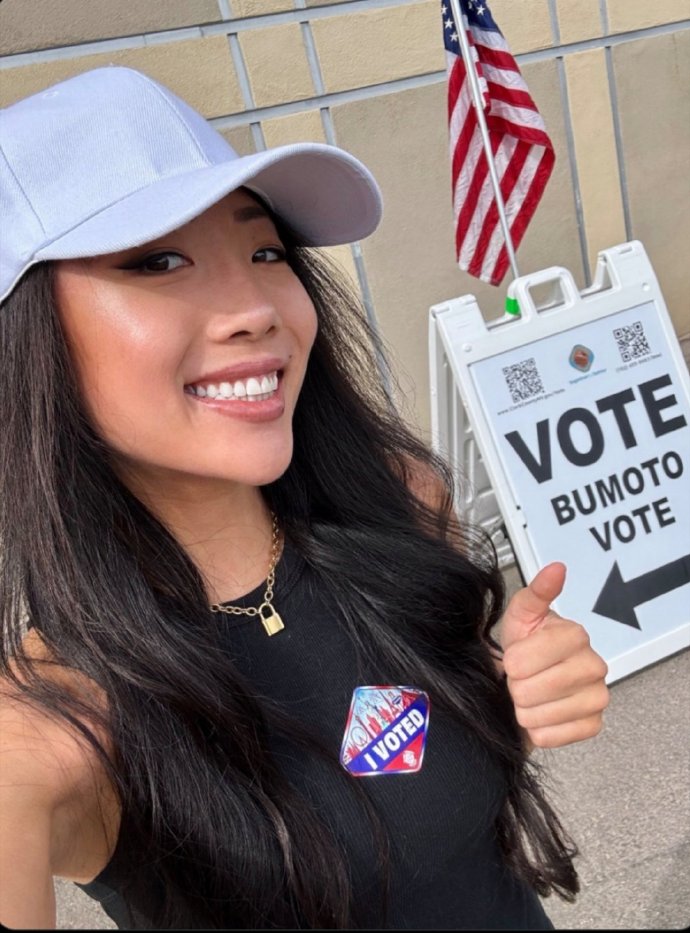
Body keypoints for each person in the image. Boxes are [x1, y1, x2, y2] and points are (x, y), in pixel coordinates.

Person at [0, 67, 609, 931]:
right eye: (160, 260)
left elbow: (426, 767)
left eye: (266, 252)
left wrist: (519, 677)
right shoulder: (53, 727)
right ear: (28, 339)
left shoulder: (401, 501)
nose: (255, 307)